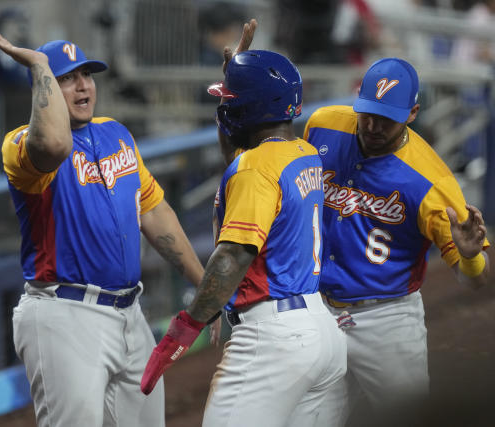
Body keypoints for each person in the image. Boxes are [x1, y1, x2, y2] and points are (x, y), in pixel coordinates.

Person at [0, 33, 205, 427]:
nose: (84, 85)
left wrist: (207, 289)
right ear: (46, 90)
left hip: (130, 314)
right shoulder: (21, 145)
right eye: (67, 78)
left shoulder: (115, 134)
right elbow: (54, 143)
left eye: (87, 74)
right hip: (65, 314)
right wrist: (40, 66)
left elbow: (153, 210)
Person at [140, 24, 347, 427]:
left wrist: (188, 325)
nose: (224, 107)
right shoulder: (302, 153)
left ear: (249, 109)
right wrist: (232, 78)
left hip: (272, 340)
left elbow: (232, 256)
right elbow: (238, 151)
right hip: (322, 334)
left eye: (230, 100)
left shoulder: (254, 169)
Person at [303, 57, 491, 425]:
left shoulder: (432, 184)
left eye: (385, 119)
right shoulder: (323, 126)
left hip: (385, 318)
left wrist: (469, 258)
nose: (372, 126)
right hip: (317, 312)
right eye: (367, 114)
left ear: (412, 113)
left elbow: (477, 280)